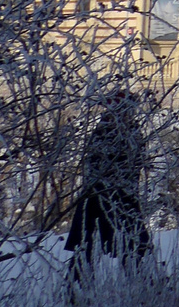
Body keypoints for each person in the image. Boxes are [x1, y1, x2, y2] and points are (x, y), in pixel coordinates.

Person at [65, 91, 151, 291]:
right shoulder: (102, 135)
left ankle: (145, 292)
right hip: (96, 204)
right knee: (85, 252)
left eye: (130, 111)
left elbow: (135, 168)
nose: (128, 115)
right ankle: (76, 295)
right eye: (123, 111)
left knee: (137, 249)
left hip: (125, 203)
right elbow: (95, 171)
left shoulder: (133, 134)